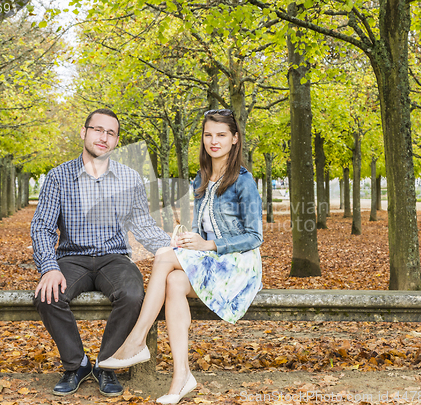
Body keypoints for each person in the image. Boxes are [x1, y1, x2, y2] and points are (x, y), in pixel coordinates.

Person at [99, 109, 263, 404]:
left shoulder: (243, 181)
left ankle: (137, 339)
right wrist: (185, 239)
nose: (214, 141)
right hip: (210, 262)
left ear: (235, 139)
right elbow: (199, 231)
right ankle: (181, 377)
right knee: (174, 280)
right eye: (208, 135)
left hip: (238, 266)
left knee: (163, 257)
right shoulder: (200, 180)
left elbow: (254, 237)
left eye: (222, 135)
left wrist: (207, 245)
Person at [30, 108, 171, 397]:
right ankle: (77, 364)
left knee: (133, 295)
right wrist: (49, 267)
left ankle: (106, 365)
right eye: (97, 129)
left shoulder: (130, 178)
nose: (103, 137)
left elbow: (143, 226)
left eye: (111, 133)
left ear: (117, 141)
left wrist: (174, 248)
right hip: (71, 258)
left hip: (114, 258)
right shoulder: (58, 177)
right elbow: (42, 227)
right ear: (84, 132)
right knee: (48, 295)